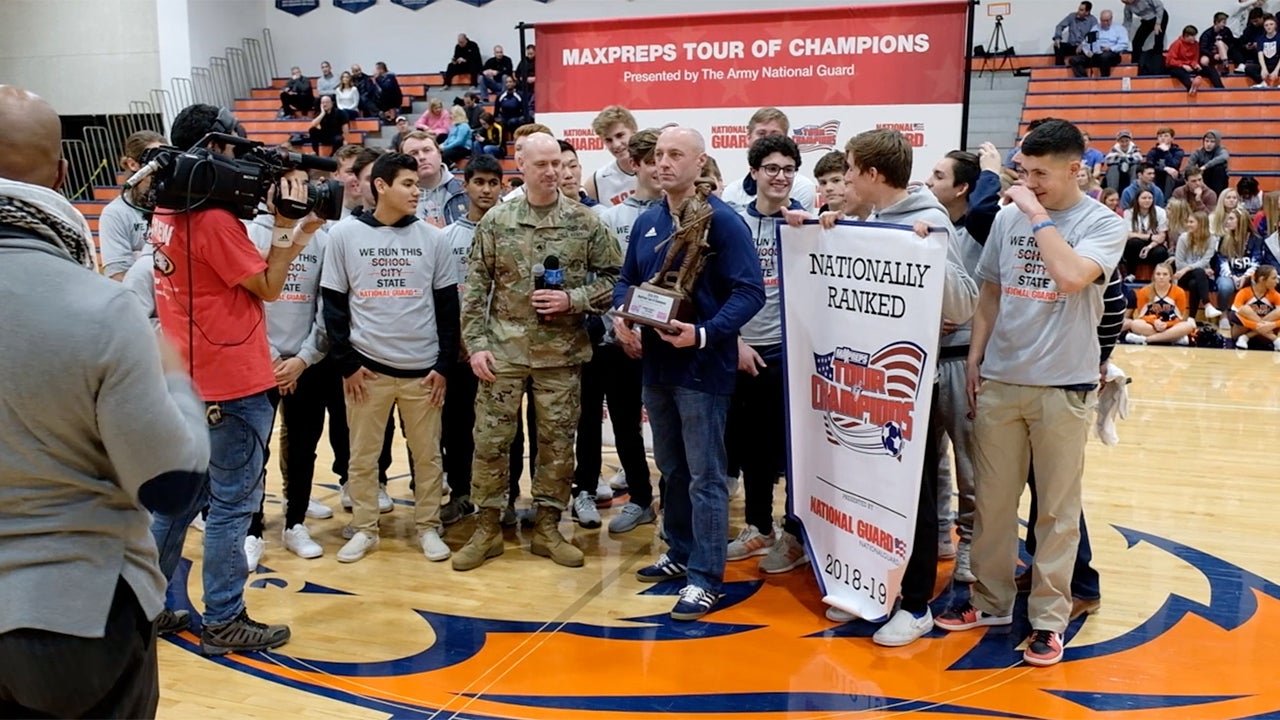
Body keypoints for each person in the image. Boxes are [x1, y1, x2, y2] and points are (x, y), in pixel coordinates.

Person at [0, 84, 208, 719]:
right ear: (63, 171)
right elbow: (172, 484)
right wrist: (172, 373)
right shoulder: (100, 306)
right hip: (71, 617)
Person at [935, 119, 1126, 668]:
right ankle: (990, 602)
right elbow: (991, 288)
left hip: (1062, 386)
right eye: (1023, 171)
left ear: (1076, 170)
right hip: (1000, 380)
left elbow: (1068, 276)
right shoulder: (1007, 218)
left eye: (1041, 173)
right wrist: (975, 358)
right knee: (993, 505)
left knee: (1056, 514)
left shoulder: (1102, 224)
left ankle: (1047, 619)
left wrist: (1037, 214)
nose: (1029, 183)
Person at [146, 103, 314, 655]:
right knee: (230, 508)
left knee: (175, 506)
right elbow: (267, 285)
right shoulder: (215, 220)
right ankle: (223, 619)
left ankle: (144, 608)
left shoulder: (168, 211)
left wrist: (299, 230)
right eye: (235, 146)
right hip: (233, 384)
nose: (243, 157)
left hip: (185, 382)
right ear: (213, 149)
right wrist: (286, 228)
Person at [832, 128, 979, 646]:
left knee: (911, 500)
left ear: (873, 175)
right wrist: (832, 231)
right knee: (876, 493)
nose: (846, 176)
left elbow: (963, 305)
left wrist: (929, 255)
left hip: (912, 387)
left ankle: (915, 604)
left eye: (851, 168)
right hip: (871, 386)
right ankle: (879, 589)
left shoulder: (929, 221)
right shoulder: (874, 217)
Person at [616, 126, 765, 619]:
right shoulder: (648, 220)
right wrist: (624, 316)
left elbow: (750, 293)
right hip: (656, 365)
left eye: (675, 155)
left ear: (700, 163)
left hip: (702, 367)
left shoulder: (723, 222)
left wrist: (702, 334)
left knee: (706, 477)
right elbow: (626, 282)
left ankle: (706, 577)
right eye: (658, 154)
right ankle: (680, 553)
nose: (663, 163)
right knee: (674, 470)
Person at [454, 133, 621, 571]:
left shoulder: (585, 222)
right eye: (542, 164)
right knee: (490, 443)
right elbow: (474, 289)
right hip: (502, 354)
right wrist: (475, 346)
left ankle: (548, 527)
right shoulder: (497, 221)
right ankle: (487, 527)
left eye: (558, 164)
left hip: (561, 356)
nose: (552, 172)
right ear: (521, 166)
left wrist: (576, 300)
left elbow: (615, 280)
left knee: (557, 445)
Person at [321, 152, 459, 563]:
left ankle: (428, 526)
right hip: (367, 370)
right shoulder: (344, 235)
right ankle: (365, 528)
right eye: (408, 184)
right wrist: (346, 363)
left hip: (424, 372)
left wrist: (444, 365)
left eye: (418, 184)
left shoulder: (434, 238)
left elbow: (448, 308)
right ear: (381, 186)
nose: (417, 191)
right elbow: (333, 305)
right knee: (361, 458)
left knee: (429, 457)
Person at [722, 134, 806, 571]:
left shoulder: (806, 224)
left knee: (793, 453)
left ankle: (793, 534)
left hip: (788, 352)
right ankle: (759, 526)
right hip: (740, 349)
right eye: (771, 168)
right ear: (754, 173)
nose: (780, 177)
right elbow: (717, 289)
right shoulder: (733, 223)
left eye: (788, 169)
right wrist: (734, 340)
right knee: (750, 448)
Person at [242, 172, 333, 563]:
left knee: (304, 448)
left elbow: (327, 306)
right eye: (289, 183)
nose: (299, 191)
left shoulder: (322, 237)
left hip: (306, 362)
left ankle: (295, 522)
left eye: (303, 183)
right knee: (253, 451)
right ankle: (251, 529)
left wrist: (303, 358)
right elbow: (242, 304)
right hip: (256, 361)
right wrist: (271, 356)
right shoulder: (247, 232)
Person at [924, 144, 1003, 584]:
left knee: (970, 463)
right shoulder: (927, 225)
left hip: (963, 359)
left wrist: (991, 175)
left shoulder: (980, 226)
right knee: (929, 457)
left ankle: (971, 542)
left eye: (938, 176)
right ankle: (939, 533)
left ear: (963, 189)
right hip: (926, 357)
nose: (929, 183)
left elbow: (986, 210)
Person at [580, 129, 663, 535]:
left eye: (665, 159)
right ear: (636, 166)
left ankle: (675, 504)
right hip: (622, 339)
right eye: (650, 161)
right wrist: (620, 322)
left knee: (672, 429)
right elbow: (606, 280)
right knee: (629, 425)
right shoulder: (610, 219)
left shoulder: (687, 213)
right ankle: (642, 500)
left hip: (671, 339)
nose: (659, 169)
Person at [438, 154, 504, 526]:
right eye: (478, 182)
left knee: (505, 430)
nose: (485, 189)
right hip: (459, 352)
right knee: (457, 426)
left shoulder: (510, 232)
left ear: (501, 188)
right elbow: (443, 297)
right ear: (465, 186)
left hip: (502, 350)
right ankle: (461, 493)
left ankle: (505, 498)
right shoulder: (446, 238)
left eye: (493, 183)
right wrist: (460, 341)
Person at [721, 108, 818, 211]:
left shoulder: (802, 187)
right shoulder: (732, 191)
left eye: (774, 135)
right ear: (748, 138)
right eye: (761, 134)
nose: (767, 140)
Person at [99, 130, 164, 279]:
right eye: (155, 159)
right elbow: (118, 275)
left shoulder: (176, 206)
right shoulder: (115, 213)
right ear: (133, 164)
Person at [401, 131, 467, 227]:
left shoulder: (465, 191)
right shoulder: (397, 198)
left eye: (427, 150)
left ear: (439, 155)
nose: (422, 157)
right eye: (414, 153)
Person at [1125, 261, 1196, 345]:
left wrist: (1166, 324)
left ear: (1170, 277)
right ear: (1154, 276)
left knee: (1188, 326)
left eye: (1165, 274)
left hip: (1170, 327)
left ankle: (1146, 339)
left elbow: (1179, 317)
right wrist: (1154, 322)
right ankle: (1173, 338)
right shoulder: (1144, 291)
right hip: (1151, 326)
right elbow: (1142, 316)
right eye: (1158, 274)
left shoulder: (1179, 292)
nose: (1161, 277)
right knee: (1135, 324)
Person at [584, 105, 638, 205]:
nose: (616, 145)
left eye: (620, 135)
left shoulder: (657, 171)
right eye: (608, 140)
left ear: (634, 131)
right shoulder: (596, 182)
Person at [1173, 210, 1222, 320]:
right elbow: (1179, 264)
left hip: (1202, 279)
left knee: (1194, 283)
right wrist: (1191, 270)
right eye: (1188, 222)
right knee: (1199, 272)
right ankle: (1207, 305)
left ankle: (1191, 319)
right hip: (1183, 277)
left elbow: (1205, 261)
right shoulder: (1183, 238)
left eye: (1191, 222)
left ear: (1201, 223)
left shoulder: (1211, 239)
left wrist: (1188, 268)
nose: (1188, 225)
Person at [1214, 208, 1255, 322]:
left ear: (1241, 221)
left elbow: (1257, 262)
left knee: (1257, 284)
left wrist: (1245, 277)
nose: (1227, 221)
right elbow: (1222, 261)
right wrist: (1233, 276)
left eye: (1231, 219)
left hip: (1249, 275)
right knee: (1225, 286)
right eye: (1227, 219)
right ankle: (1223, 314)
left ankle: (1250, 318)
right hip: (1229, 275)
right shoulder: (1224, 238)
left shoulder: (1255, 239)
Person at [1121, 188, 1170, 277]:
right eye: (1144, 198)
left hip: (1154, 244)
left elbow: (1162, 236)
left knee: (1160, 251)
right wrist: (1150, 237)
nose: (1147, 200)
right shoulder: (1128, 212)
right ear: (1137, 199)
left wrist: (1149, 247)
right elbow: (1128, 234)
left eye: (1150, 198)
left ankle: (1157, 276)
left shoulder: (1160, 212)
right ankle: (1131, 274)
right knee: (1134, 242)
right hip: (1138, 243)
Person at [1231, 264, 1280, 349]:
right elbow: (1233, 315)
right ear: (1262, 279)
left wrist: (1273, 325)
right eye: (1274, 278)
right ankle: (1275, 339)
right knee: (1245, 309)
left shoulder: (1275, 294)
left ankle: (1246, 337)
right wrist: (1258, 325)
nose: (1277, 281)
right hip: (1241, 332)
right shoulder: (1244, 292)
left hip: (1263, 336)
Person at [1166, 25, 1224, 95]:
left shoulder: (1196, 44)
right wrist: (1182, 65)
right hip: (1178, 67)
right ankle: (1191, 87)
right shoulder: (1176, 44)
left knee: (1210, 69)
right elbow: (1170, 60)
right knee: (1180, 72)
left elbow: (1195, 58)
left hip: (1191, 66)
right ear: (1186, 36)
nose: (1194, 38)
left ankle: (1220, 88)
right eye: (1193, 36)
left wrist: (1195, 64)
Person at [1070, 9, 1128, 77]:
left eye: (1108, 20)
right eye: (1103, 21)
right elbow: (1087, 42)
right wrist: (1087, 50)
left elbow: (1124, 44)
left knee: (1104, 57)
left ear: (1111, 18)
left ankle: (1104, 78)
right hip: (1096, 53)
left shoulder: (1119, 29)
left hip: (1111, 54)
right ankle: (1084, 79)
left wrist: (1110, 48)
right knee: (1074, 60)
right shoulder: (1096, 28)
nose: (1106, 23)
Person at [1123, 0, 1167, 67]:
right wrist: (1124, 34)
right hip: (1147, 20)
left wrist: (1158, 23)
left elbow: (1159, 7)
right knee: (1136, 42)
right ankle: (1136, 65)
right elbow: (1127, 22)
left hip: (1160, 16)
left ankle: (1157, 65)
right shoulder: (1128, 6)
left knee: (1158, 41)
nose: (1126, 2)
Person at [1054, 2, 1098, 66]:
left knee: (1089, 53)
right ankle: (1060, 67)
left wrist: (1083, 45)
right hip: (1071, 45)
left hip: (1083, 47)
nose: (1078, 11)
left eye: (1081, 10)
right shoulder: (1072, 16)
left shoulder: (1093, 20)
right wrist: (1057, 37)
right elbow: (1059, 26)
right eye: (1079, 9)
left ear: (1087, 12)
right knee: (1057, 46)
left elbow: (1093, 36)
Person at [1187, 130, 1231, 195]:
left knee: (1219, 168)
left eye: (1212, 142)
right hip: (1203, 177)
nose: (1208, 144)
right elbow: (1190, 164)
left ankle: (1217, 197)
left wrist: (1205, 166)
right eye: (1206, 141)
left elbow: (1224, 157)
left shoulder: (1221, 150)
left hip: (1218, 180)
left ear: (1217, 142)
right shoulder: (1199, 151)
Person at [1145, 127, 1184, 199]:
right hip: (1157, 175)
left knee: (1171, 174)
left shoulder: (1178, 151)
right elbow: (1149, 166)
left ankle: (1166, 201)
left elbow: (1174, 165)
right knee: (1149, 174)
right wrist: (1164, 168)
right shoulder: (1153, 151)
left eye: (1166, 136)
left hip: (1172, 178)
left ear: (1172, 139)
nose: (1162, 138)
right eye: (1160, 136)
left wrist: (1166, 152)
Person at [494, 77, 530, 143]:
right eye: (507, 82)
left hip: (516, 117)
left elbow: (525, 109)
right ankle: (501, 142)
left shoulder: (520, 95)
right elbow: (496, 110)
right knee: (500, 122)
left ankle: (515, 139)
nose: (508, 84)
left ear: (514, 83)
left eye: (510, 82)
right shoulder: (501, 96)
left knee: (513, 122)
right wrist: (495, 118)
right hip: (504, 117)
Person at [1254, 14, 1280, 87]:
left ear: (1275, 26)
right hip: (1267, 64)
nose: (1269, 27)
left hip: (1277, 64)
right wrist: (1264, 68)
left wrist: (1276, 70)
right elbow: (1260, 54)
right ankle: (1263, 83)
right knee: (1249, 68)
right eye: (1266, 25)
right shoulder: (1261, 39)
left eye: (1271, 24)